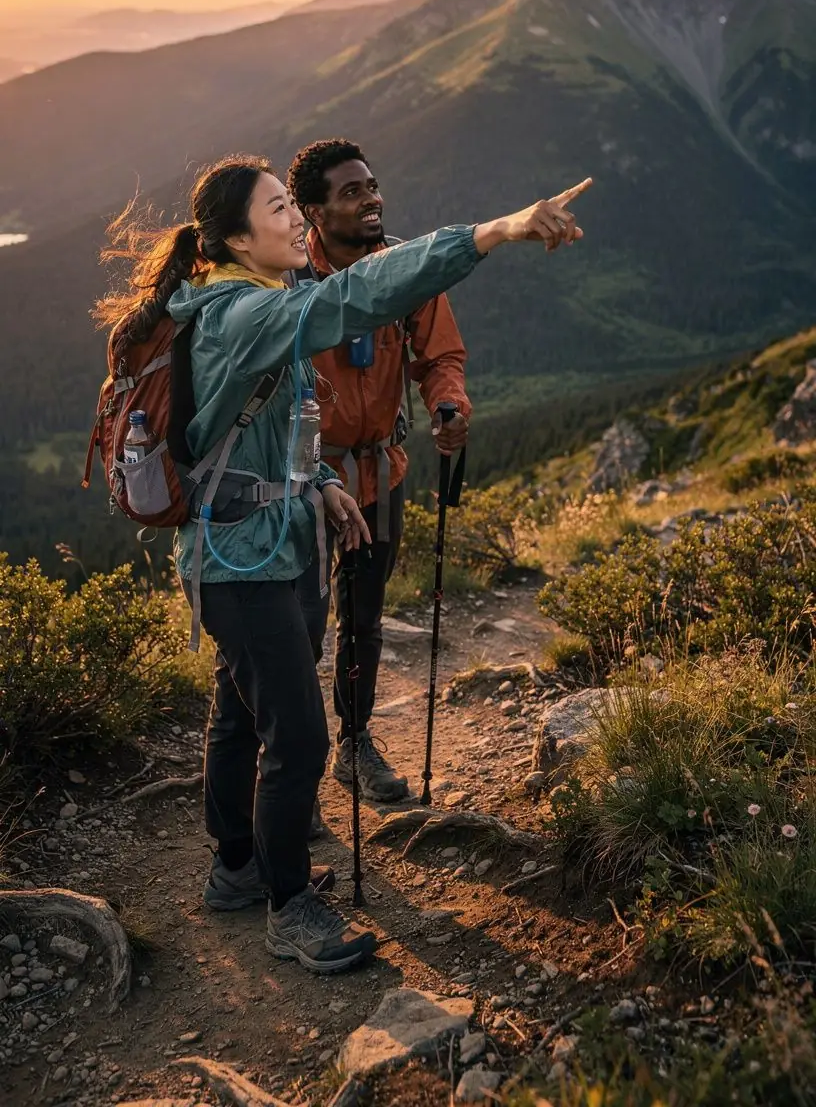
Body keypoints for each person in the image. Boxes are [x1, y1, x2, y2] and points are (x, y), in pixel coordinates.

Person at [95, 153, 591, 976]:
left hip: (271, 546)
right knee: (298, 734)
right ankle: (289, 909)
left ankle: (237, 868)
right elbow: (357, 294)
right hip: (238, 562)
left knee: (239, 710)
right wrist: (495, 231)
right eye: (280, 208)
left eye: (295, 205)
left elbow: (279, 426)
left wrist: (322, 483)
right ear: (233, 239)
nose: (296, 220)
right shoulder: (235, 316)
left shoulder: (263, 300)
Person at [286, 138, 471, 811]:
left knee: (362, 620)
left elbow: (439, 356)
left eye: (371, 187)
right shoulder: (287, 285)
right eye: (351, 193)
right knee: (300, 626)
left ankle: (353, 741)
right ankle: (291, 769)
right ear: (313, 212)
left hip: (377, 474)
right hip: (303, 484)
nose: (371, 200)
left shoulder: (404, 272)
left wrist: (449, 404)